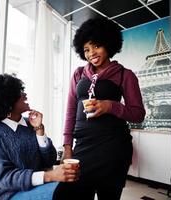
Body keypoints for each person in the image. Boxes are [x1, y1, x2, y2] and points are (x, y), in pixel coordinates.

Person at [55, 18, 146, 200]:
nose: (91, 53)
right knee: (64, 194)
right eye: (86, 49)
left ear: (109, 44)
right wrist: (67, 146)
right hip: (82, 148)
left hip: (113, 150)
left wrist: (110, 106)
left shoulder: (125, 75)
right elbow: (70, 111)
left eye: (96, 46)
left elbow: (138, 114)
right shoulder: (79, 74)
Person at [0, 73, 79, 200]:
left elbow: (50, 160)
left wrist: (40, 131)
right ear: (7, 102)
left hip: (42, 186)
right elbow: (4, 177)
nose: (24, 94)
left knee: (80, 184)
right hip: (11, 194)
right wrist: (50, 176)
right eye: (19, 92)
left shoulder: (30, 123)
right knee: (63, 191)